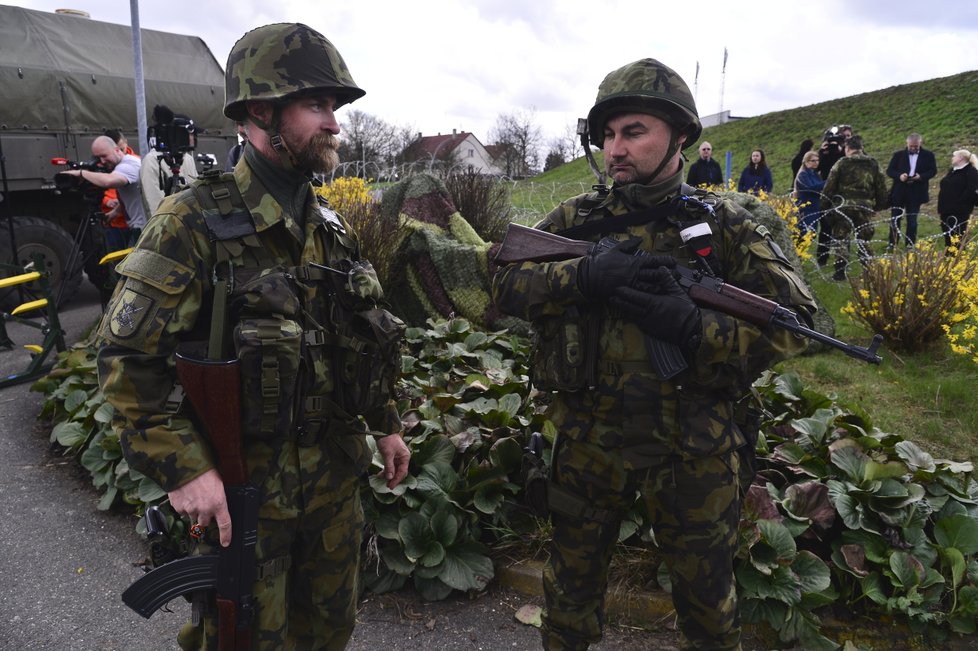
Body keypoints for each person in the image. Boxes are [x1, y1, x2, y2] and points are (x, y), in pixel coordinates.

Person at [96, 22, 410, 650]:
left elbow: (355, 340)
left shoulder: (329, 227)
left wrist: (387, 421)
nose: (335, 124)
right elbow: (127, 361)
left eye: (334, 108)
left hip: (332, 494)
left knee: (329, 636)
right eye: (317, 106)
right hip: (247, 501)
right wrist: (187, 470)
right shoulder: (191, 223)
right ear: (261, 112)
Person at [492, 57, 816, 651]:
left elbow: (799, 324)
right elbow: (503, 286)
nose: (616, 148)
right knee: (567, 601)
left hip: (695, 447)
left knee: (709, 609)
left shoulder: (728, 224)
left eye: (633, 131)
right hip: (590, 439)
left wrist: (698, 330)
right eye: (608, 135)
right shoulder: (576, 221)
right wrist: (583, 276)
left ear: (681, 136)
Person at [821, 135, 889, 280]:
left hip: (843, 206)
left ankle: (840, 272)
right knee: (864, 239)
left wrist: (825, 204)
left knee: (841, 238)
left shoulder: (842, 163)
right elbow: (881, 186)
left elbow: (830, 185)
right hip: (864, 206)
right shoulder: (873, 164)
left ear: (848, 148)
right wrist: (878, 206)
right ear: (861, 147)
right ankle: (868, 269)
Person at [60, 134, 146, 245]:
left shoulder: (128, 165)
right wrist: (114, 213)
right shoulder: (125, 164)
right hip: (141, 228)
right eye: (98, 158)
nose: (102, 161)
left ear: (116, 150)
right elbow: (133, 195)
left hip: (144, 231)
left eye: (104, 156)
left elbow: (108, 181)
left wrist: (81, 173)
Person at [139, 104, 199, 216]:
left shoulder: (188, 158)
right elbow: (154, 205)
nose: (193, 138)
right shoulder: (152, 160)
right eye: (190, 133)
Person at [886, 133, 937, 249]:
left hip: (916, 190)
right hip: (899, 190)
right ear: (907, 144)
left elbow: (933, 171)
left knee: (912, 220)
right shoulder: (898, 155)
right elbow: (890, 171)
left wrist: (921, 177)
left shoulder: (928, 155)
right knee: (895, 219)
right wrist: (899, 176)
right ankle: (892, 243)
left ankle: (910, 243)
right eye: (911, 146)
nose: (913, 148)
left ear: (920, 144)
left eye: (916, 146)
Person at [936, 148, 978, 249]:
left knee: (957, 235)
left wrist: (960, 202)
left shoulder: (971, 172)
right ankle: (949, 257)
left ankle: (957, 257)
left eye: (954, 156)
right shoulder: (952, 171)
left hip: (959, 210)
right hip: (945, 209)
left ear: (961, 158)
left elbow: (971, 190)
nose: (952, 158)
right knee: (947, 235)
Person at [794, 150, 825, 235]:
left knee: (811, 234)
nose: (816, 163)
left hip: (815, 207)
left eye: (817, 160)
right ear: (806, 162)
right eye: (813, 161)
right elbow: (810, 188)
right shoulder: (803, 175)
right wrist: (827, 182)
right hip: (806, 208)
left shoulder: (815, 174)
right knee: (804, 234)